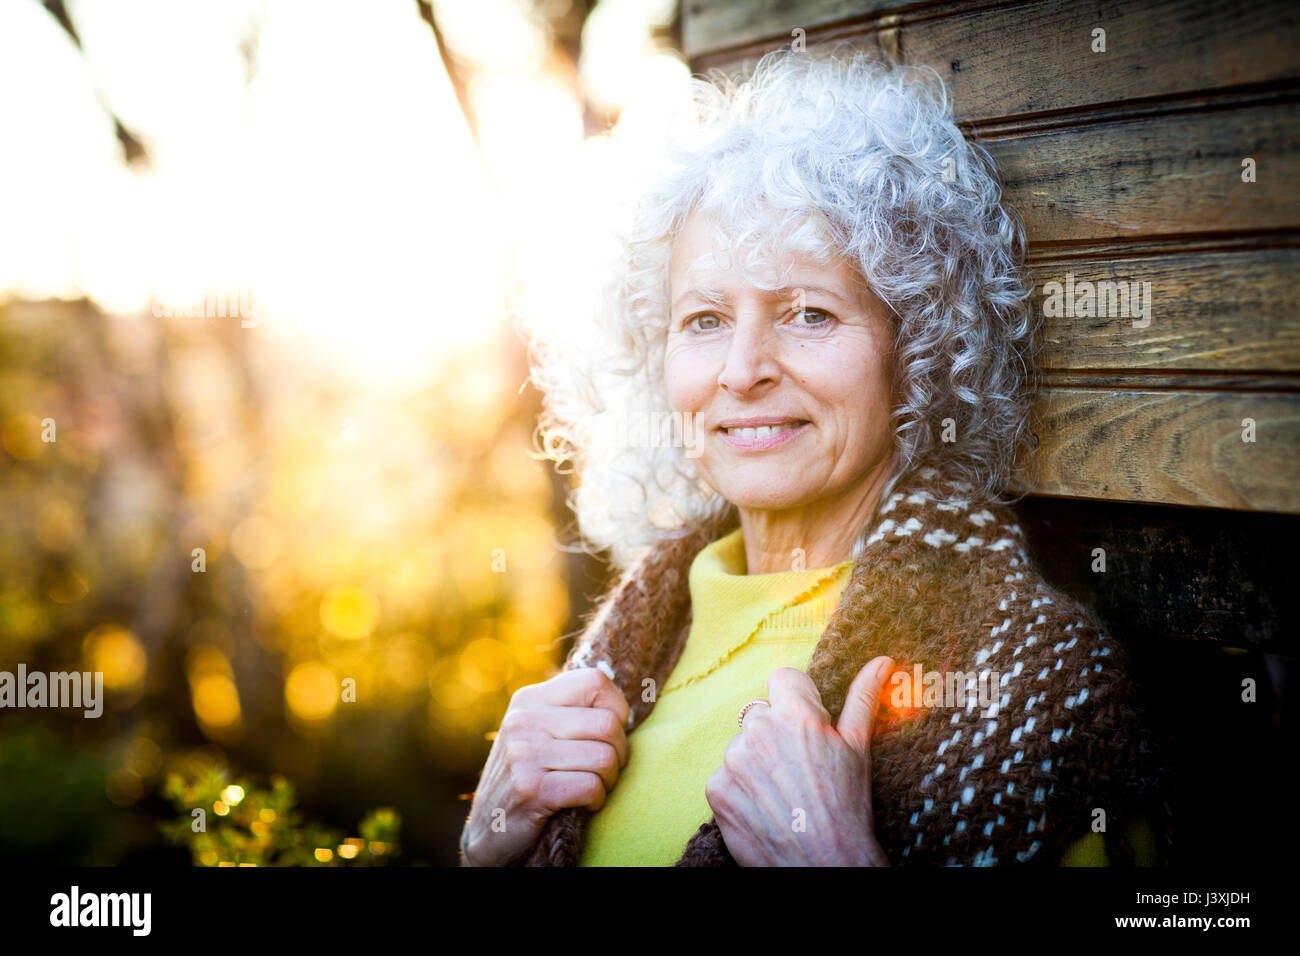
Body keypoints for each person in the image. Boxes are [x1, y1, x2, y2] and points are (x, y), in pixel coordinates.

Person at [459, 47, 1160, 867]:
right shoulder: (622, 649)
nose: (743, 369)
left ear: (918, 346)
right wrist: (484, 845)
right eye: (705, 320)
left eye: (809, 314)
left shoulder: (1038, 685)